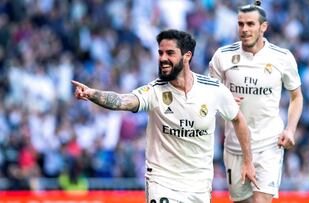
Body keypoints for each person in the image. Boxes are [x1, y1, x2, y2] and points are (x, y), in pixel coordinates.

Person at [72, 29, 258, 203]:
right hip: (162, 181)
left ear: (187, 57)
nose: (163, 58)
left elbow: (238, 120)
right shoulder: (154, 91)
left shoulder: (214, 90)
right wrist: (92, 94)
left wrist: (248, 162)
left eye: (170, 53)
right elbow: (123, 101)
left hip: (199, 185)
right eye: (160, 53)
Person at [209, 1, 303, 203]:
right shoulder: (222, 56)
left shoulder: (282, 58)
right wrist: (222, 99)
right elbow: (208, 96)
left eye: (250, 24)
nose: (244, 29)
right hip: (234, 146)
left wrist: (291, 129)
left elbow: (297, 96)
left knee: (261, 200)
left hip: (269, 144)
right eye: (241, 24)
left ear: (263, 27)